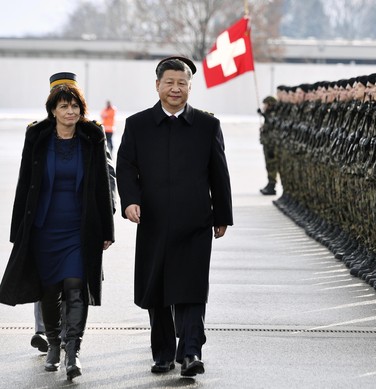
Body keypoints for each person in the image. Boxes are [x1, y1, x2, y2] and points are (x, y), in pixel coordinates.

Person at [116, 56, 233, 377]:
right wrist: (130, 201)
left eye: (182, 83)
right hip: (152, 221)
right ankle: (163, 354)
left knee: (192, 287)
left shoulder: (208, 126)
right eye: (169, 82)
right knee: (157, 290)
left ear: (190, 87)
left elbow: (218, 173)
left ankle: (191, 351)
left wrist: (222, 214)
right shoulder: (138, 124)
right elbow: (125, 166)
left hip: (195, 221)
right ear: (157, 86)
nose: (175, 89)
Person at [0, 72, 116, 380]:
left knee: (76, 287)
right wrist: (18, 232)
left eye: (75, 106)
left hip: (80, 229)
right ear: (53, 110)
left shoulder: (93, 136)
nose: (70, 112)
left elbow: (102, 185)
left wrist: (107, 229)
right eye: (64, 106)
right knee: (49, 290)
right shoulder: (37, 136)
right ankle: (53, 343)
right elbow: (25, 183)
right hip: (44, 228)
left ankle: (73, 350)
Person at [258, 95, 278, 195]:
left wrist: (264, 115)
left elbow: (273, 126)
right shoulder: (268, 114)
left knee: (272, 165)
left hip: (271, 145)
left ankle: (272, 185)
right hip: (267, 144)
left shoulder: (273, 114)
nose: (264, 106)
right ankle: (270, 183)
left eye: (265, 104)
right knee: (269, 165)